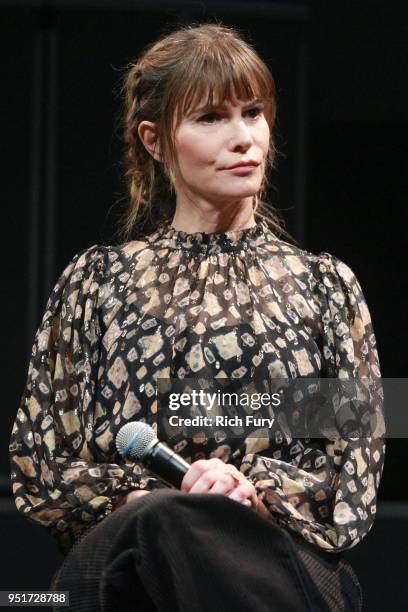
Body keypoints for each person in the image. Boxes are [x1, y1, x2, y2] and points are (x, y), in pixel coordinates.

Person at [9, 22, 385, 612]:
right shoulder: (96, 285)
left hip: (277, 560)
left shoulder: (325, 289)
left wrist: (252, 493)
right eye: (210, 118)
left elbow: (353, 483)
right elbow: (42, 467)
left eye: (253, 112)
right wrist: (155, 500)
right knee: (166, 524)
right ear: (155, 141)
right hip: (125, 564)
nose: (243, 138)